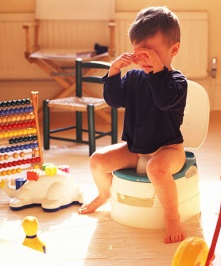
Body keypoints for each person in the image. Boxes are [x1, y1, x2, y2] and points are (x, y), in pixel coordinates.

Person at [78, 6, 188, 244]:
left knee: (156, 169)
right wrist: (115, 71)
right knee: (97, 160)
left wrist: (158, 70)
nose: (144, 58)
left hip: (169, 149)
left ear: (174, 49)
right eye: (139, 51)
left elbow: (165, 99)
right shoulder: (134, 77)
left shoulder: (177, 81)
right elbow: (114, 100)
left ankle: (172, 218)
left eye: (151, 52)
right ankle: (104, 193)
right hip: (135, 149)